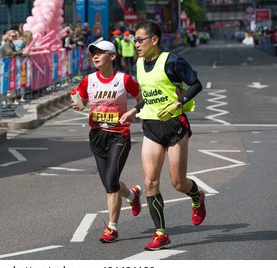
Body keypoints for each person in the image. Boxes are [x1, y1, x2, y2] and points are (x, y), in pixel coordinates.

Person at [120, 19, 205, 250]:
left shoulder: (172, 61)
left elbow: (196, 85)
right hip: (152, 126)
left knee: (178, 183)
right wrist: (133, 110)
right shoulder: (138, 64)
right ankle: (161, 232)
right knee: (150, 181)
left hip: (175, 126)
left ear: (154, 40)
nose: (135, 44)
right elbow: (148, 95)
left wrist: (179, 103)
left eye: (139, 40)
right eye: (134, 40)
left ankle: (197, 196)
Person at [71, 40, 142, 243]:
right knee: (109, 183)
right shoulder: (88, 80)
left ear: (112, 56)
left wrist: (132, 113)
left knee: (111, 182)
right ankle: (132, 196)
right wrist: (78, 105)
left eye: (100, 52)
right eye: (93, 53)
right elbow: (81, 102)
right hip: (97, 136)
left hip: (119, 135)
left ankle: (112, 228)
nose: (95, 56)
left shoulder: (124, 80)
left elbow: (141, 99)